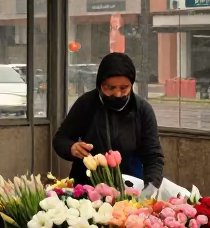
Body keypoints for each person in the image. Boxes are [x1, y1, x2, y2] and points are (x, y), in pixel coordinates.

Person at [53, 51, 164, 188]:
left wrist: (150, 188)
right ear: (100, 85)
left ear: (131, 85)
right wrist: (71, 148)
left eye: (124, 88)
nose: (117, 94)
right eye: (110, 88)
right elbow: (61, 139)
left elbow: (153, 156)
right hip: (86, 189)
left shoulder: (142, 110)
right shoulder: (86, 104)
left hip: (129, 189)